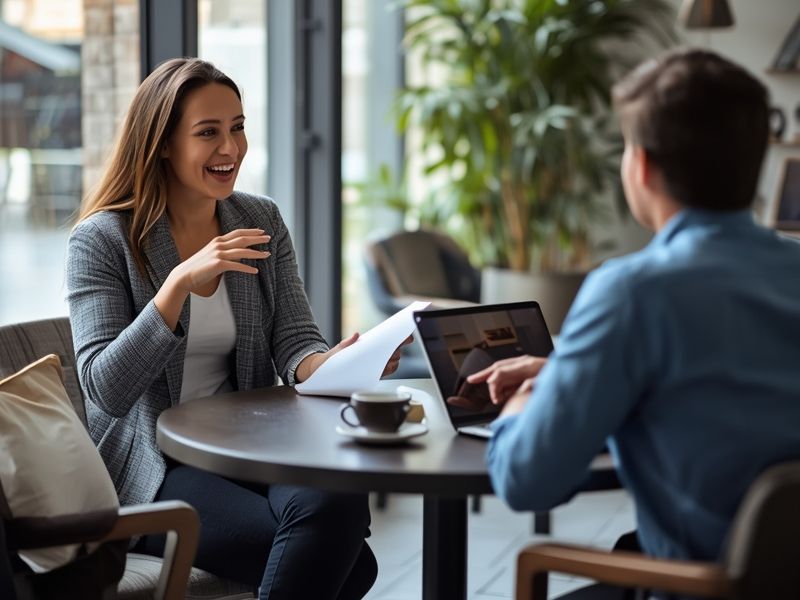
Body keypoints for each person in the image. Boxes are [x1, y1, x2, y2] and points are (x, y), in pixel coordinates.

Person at [66, 57, 408, 600]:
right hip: (154, 463)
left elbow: (296, 339)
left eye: (238, 127)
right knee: (349, 564)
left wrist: (337, 365)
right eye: (208, 133)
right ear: (162, 144)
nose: (231, 148)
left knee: (337, 502)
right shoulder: (103, 240)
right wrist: (174, 291)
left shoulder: (260, 219)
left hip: (246, 443)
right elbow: (104, 389)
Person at [482, 48, 800, 594]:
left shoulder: (633, 291)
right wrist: (568, 371)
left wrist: (527, 399)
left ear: (643, 166)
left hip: (703, 584)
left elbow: (526, 480)